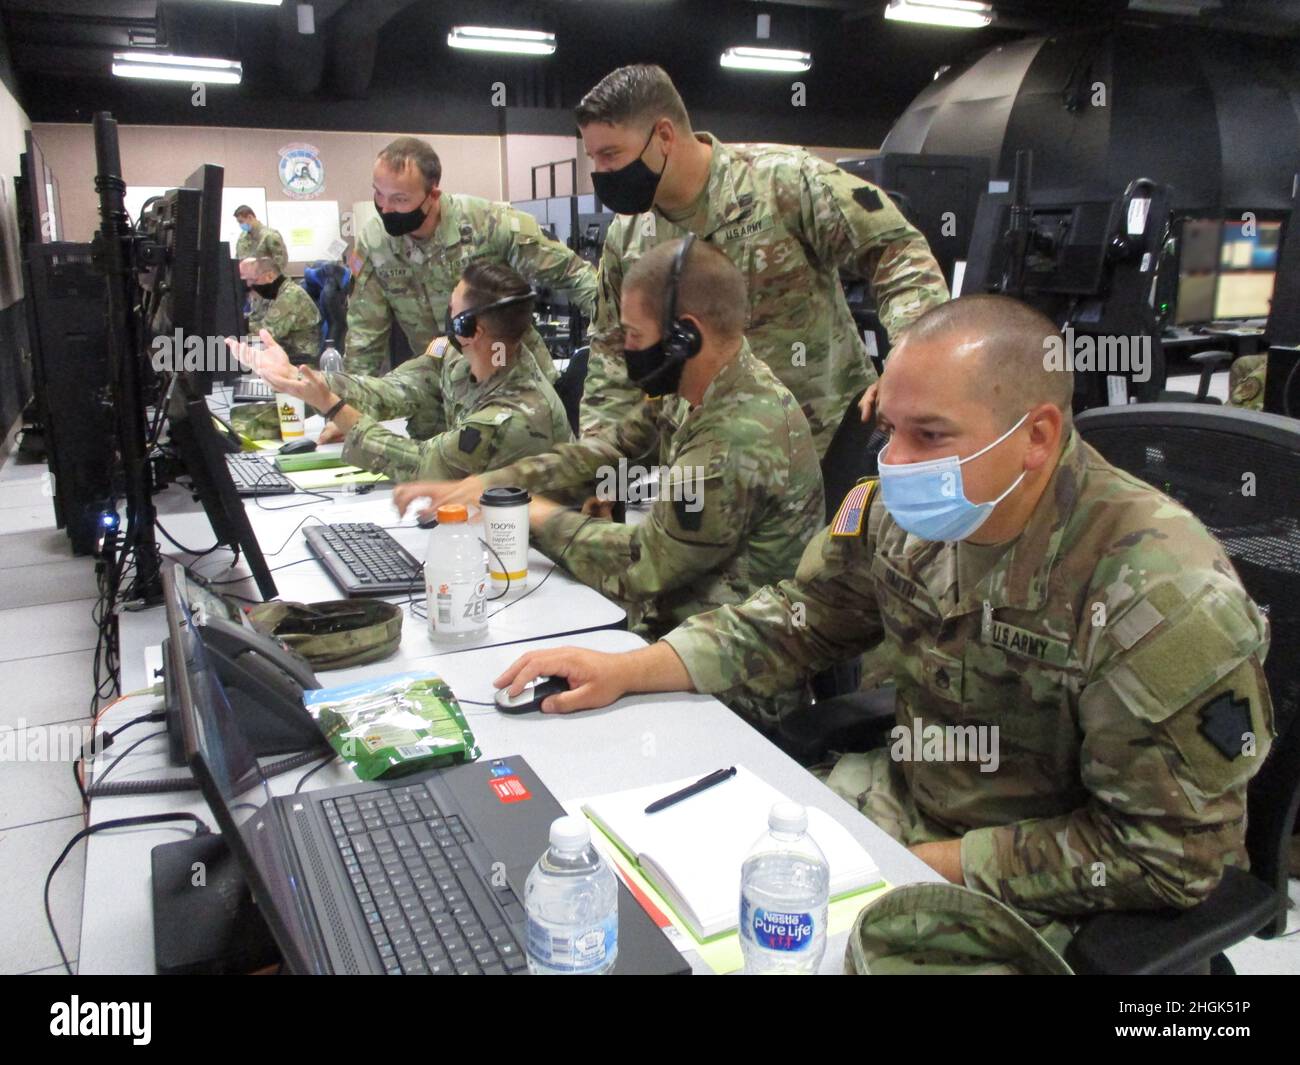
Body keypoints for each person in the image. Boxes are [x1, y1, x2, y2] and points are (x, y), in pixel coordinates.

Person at [490, 294, 1275, 947]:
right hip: (899, 800)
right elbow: (801, 618)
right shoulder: (893, 504)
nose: (894, 460)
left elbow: (1168, 855)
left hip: (1035, 881)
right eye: (888, 428)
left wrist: (915, 860)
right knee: (647, 901)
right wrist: (629, 666)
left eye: (929, 434)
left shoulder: (1160, 595)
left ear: (1035, 436)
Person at [396, 239, 824, 729]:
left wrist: (537, 517)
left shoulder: (738, 434)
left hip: (731, 684)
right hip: (670, 638)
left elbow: (647, 564)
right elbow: (609, 450)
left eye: (634, 335)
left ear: (685, 337)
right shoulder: (696, 387)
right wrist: (492, 484)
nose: (624, 349)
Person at [573, 63, 948, 456]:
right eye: (593, 157)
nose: (601, 172)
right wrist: (598, 461)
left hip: (820, 443)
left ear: (663, 136)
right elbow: (612, 350)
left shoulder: (781, 181)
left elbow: (896, 251)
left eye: (611, 154)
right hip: (709, 456)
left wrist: (909, 369)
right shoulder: (629, 234)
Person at [230, 260, 570, 483]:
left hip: (527, 555)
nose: (447, 316)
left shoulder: (516, 415)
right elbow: (393, 390)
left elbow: (424, 465)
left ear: (469, 328)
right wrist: (301, 376)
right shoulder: (459, 358)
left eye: (453, 310)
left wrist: (335, 408)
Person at [343, 136, 597, 392]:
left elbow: (574, 275)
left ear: (433, 195)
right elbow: (365, 336)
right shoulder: (375, 242)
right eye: (378, 193)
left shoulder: (487, 223)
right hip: (441, 389)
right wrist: (346, 403)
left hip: (512, 381)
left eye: (399, 199)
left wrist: (614, 344)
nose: (385, 208)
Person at [238, 256, 321, 367]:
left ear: (270, 276)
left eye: (253, 280)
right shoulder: (273, 294)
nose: (249, 285)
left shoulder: (290, 296)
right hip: (281, 355)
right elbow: (255, 319)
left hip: (299, 362)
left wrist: (233, 336)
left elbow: (267, 334)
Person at [233, 206, 288, 272]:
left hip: (267, 279)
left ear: (250, 217)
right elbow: (238, 258)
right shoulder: (242, 237)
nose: (240, 225)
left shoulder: (270, 235)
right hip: (247, 278)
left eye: (241, 221)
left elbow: (281, 262)